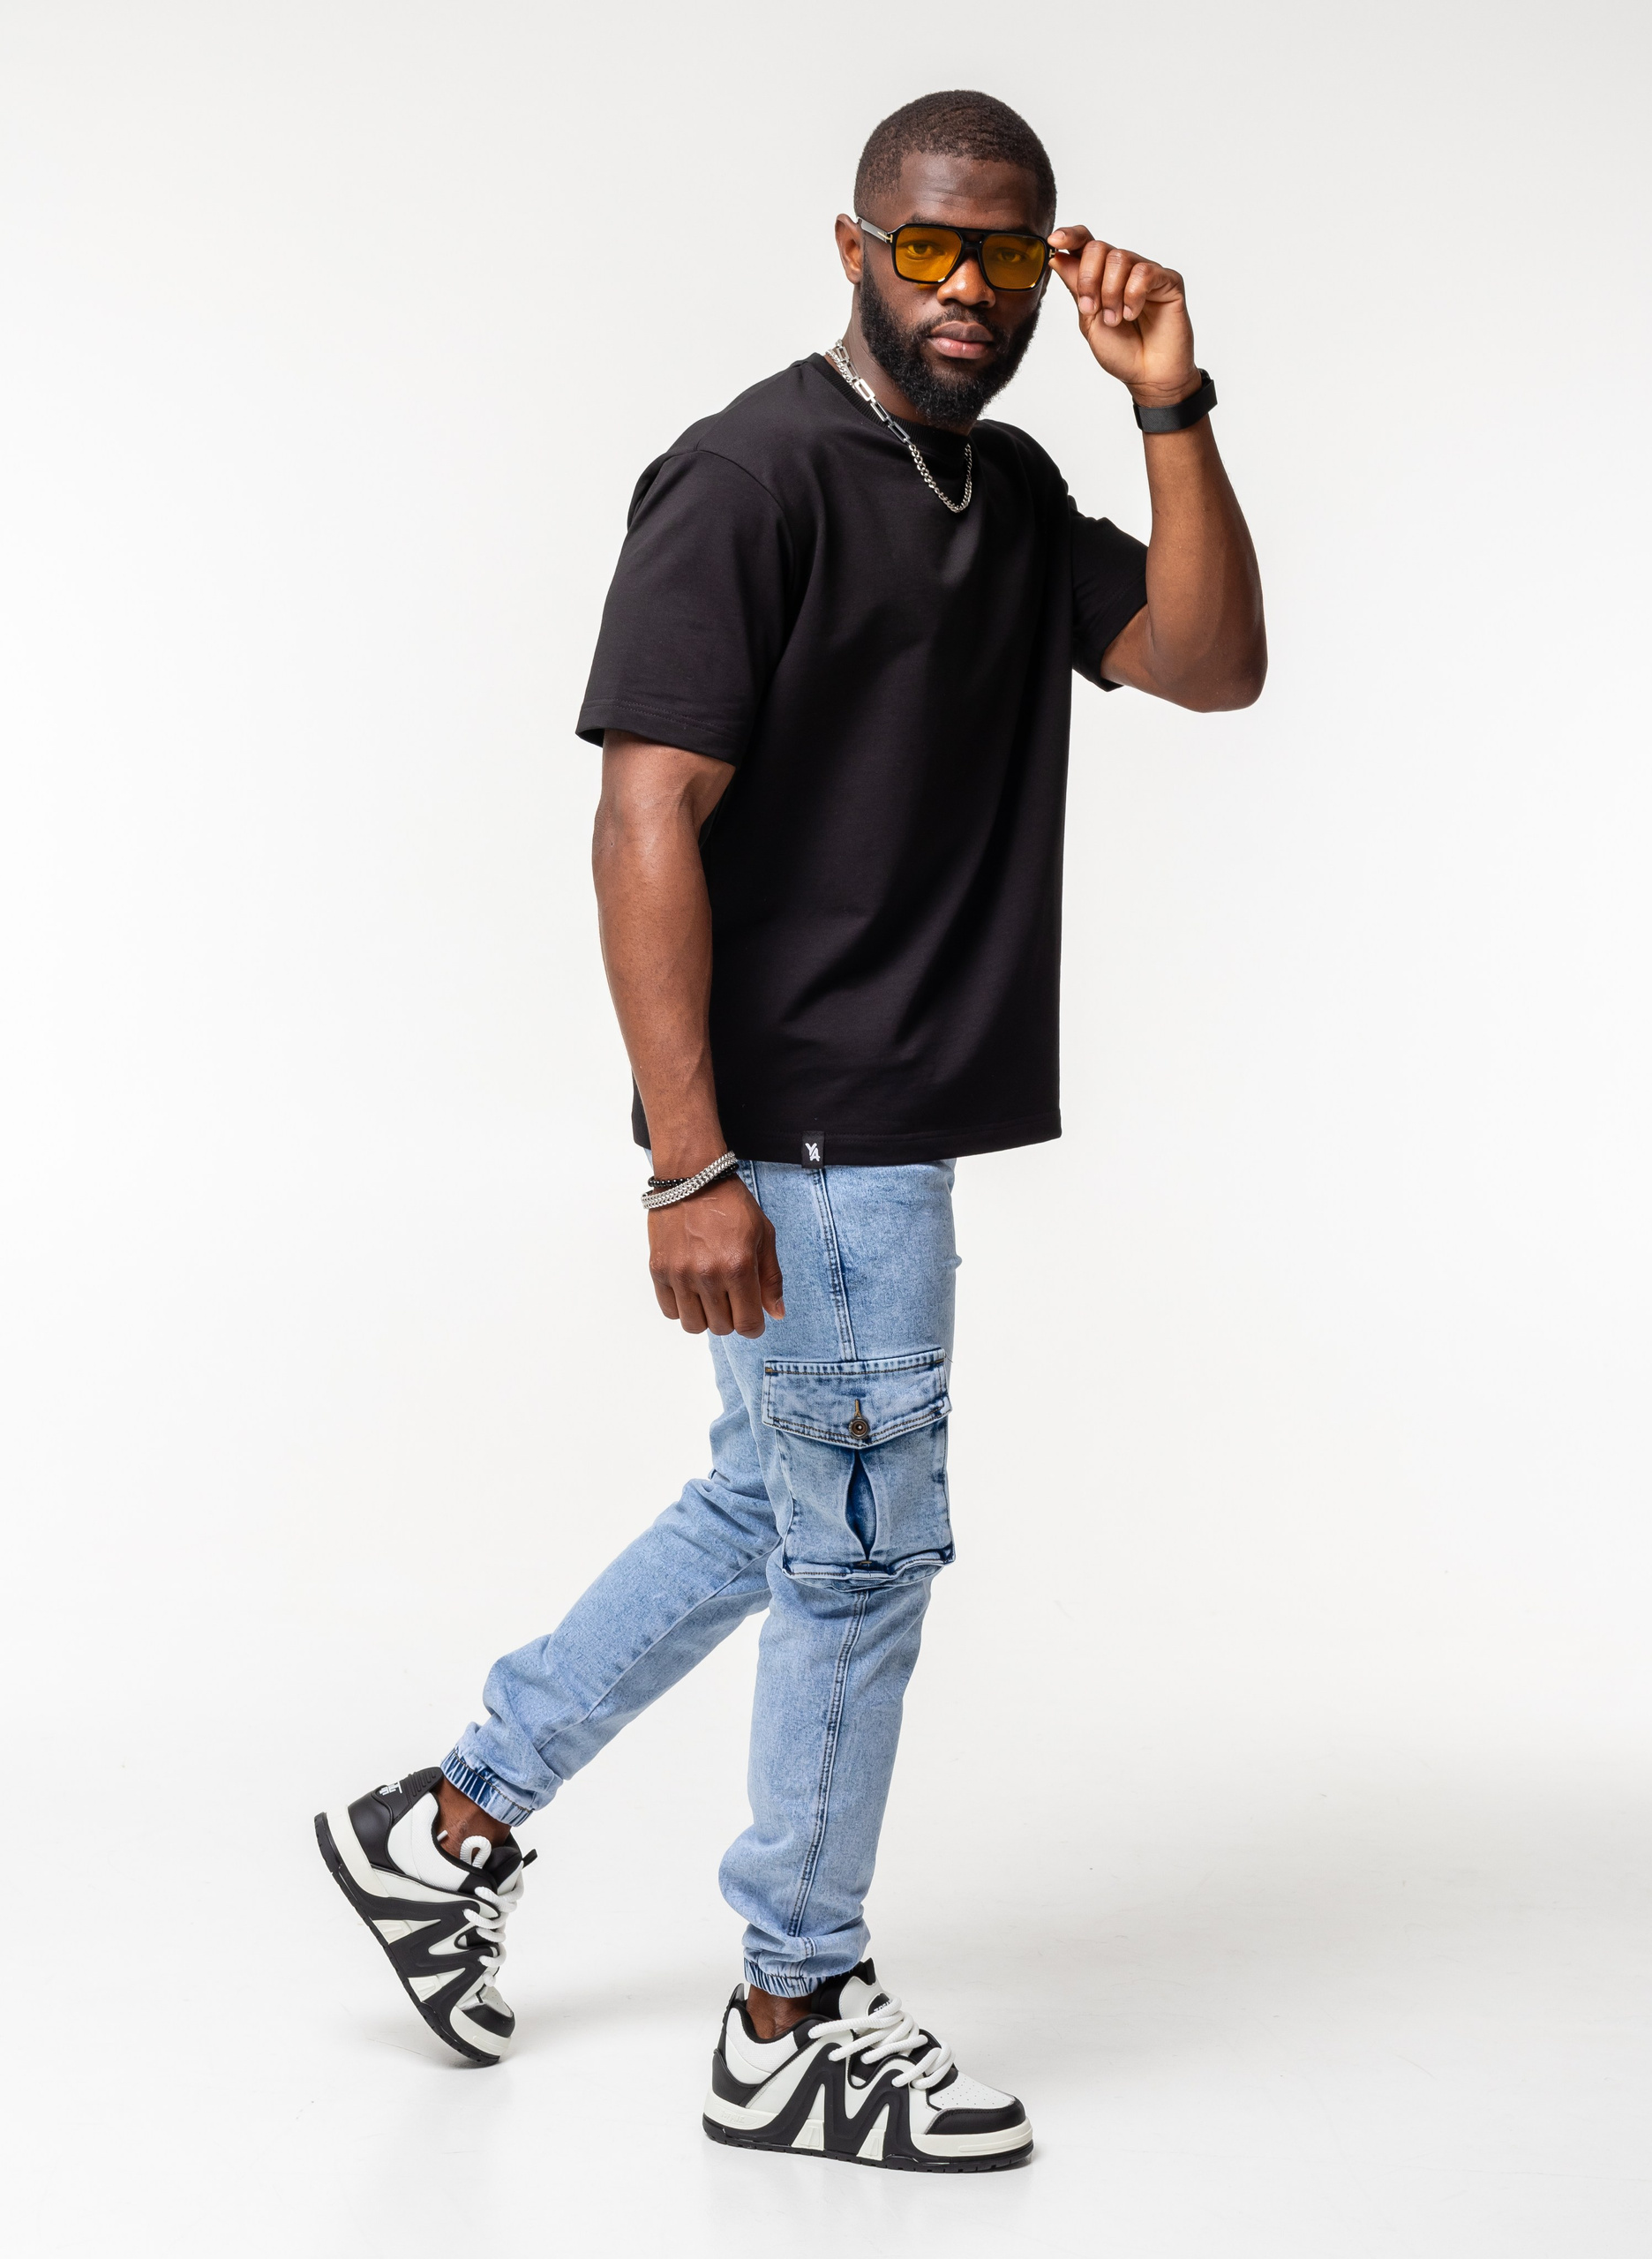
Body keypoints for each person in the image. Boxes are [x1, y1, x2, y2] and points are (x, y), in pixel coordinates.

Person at [316, 87, 1264, 2173]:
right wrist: (689, 1162)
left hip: (885, 1118)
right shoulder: (748, 475)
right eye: (927, 245)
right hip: (813, 1133)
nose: (964, 286)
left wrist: (1170, 406)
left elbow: (1210, 663)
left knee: (775, 1506)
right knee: (864, 1554)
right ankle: (793, 2008)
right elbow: (642, 814)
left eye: (1003, 253)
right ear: (853, 246)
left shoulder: (1010, 485)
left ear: (1044, 273)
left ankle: (444, 1822)